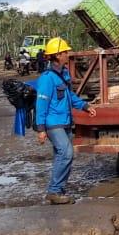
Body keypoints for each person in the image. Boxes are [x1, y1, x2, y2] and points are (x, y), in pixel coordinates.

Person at [34, 37, 94, 205]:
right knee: (66, 152)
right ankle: (53, 191)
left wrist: (84, 106)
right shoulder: (47, 78)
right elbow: (41, 103)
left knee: (64, 155)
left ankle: (58, 190)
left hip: (65, 121)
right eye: (65, 52)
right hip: (53, 123)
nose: (68, 54)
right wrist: (41, 129)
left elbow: (70, 96)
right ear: (57, 55)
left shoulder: (64, 74)